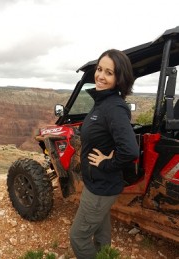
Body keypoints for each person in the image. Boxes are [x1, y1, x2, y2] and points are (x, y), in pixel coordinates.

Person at [69, 49, 139, 258]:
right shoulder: (103, 103)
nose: (100, 76)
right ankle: (105, 255)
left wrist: (105, 163)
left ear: (119, 78)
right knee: (101, 231)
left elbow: (130, 150)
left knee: (78, 237)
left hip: (101, 186)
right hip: (99, 183)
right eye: (99, 69)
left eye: (109, 72)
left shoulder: (114, 108)